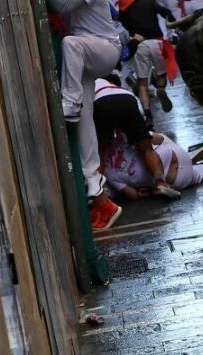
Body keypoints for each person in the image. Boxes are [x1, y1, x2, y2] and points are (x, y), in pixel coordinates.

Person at [49, 0, 123, 228]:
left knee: (70, 44)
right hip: (86, 51)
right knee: (85, 119)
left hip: (105, 48)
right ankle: (97, 189)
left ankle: (70, 104)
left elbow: (61, 7)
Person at [94, 74, 180, 199]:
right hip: (127, 99)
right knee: (146, 148)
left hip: (100, 102)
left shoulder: (89, 80)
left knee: (101, 151)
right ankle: (161, 183)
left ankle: (99, 192)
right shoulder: (115, 86)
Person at [101, 132, 203, 199]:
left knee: (202, 173)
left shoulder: (107, 173)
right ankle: (190, 157)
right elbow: (159, 139)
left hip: (175, 181)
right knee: (158, 138)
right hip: (174, 156)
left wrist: (144, 191)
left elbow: (133, 195)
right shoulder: (121, 138)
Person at [118, 0, 178, 128]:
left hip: (141, 46)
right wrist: (173, 24)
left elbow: (124, 28)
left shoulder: (123, 10)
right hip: (157, 43)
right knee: (161, 74)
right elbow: (166, 12)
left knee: (142, 84)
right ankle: (161, 88)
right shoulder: (148, 2)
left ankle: (148, 115)